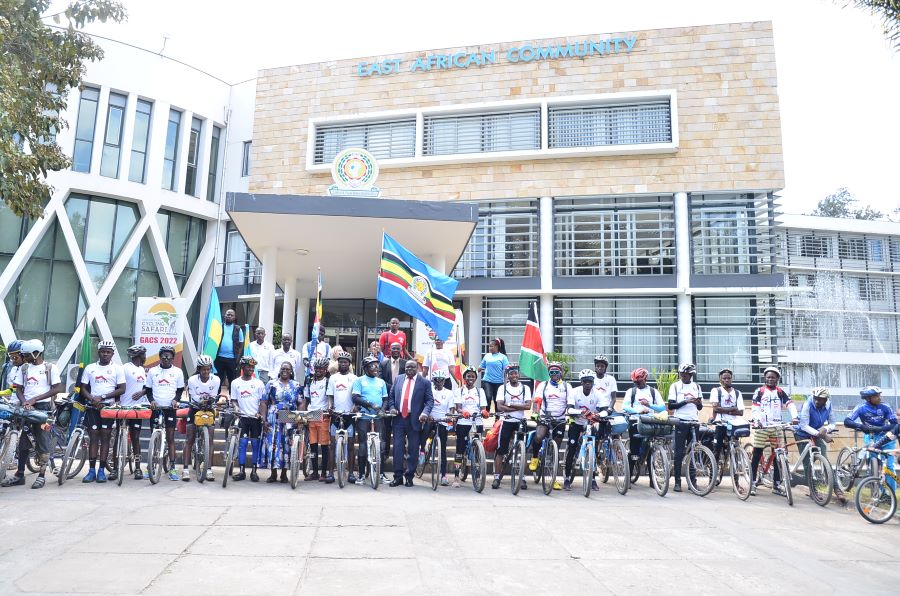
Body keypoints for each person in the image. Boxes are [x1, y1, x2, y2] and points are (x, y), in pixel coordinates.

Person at [2, 339, 63, 489]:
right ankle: (19, 474)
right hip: (26, 406)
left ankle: (41, 475)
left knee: (42, 440)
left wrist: (35, 399)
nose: (25, 357)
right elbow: (18, 389)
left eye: (27, 355)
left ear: (36, 354)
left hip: (43, 407)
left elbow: (56, 389)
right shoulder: (24, 369)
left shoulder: (50, 368)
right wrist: (25, 401)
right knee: (23, 441)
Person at [81, 340, 126, 483]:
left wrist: (103, 397)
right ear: (98, 352)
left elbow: (122, 389)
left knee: (105, 437)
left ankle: (101, 471)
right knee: (94, 437)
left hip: (108, 407)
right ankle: (91, 470)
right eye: (103, 351)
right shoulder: (90, 368)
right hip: (93, 407)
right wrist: (93, 399)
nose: (105, 354)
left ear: (112, 354)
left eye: (108, 352)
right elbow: (83, 388)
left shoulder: (117, 369)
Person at [529, 362, 578, 491]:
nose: (554, 374)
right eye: (552, 372)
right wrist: (535, 413)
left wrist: (569, 416)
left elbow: (570, 403)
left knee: (555, 450)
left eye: (557, 372)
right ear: (549, 373)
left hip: (560, 419)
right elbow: (537, 400)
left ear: (561, 373)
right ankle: (535, 457)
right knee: (539, 436)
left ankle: (554, 479)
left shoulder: (567, 387)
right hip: (545, 417)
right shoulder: (543, 385)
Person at [749, 366, 797, 496]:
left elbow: (790, 404)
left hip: (776, 427)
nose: (771, 379)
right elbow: (755, 408)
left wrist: (795, 417)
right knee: (757, 454)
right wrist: (757, 420)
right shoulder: (759, 391)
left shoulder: (781, 392)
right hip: (762, 427)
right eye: (768, 377)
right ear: (765, 378)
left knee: (778, 456)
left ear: (777, 379)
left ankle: (776, 485)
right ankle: (752, 483)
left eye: (773, 377)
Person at [795, 387, 846, 503]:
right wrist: (821, 434)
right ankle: (813, 491)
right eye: (815, 398)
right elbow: (803, 425)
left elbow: (833, 423)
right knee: (808, 463)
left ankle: (836, 488)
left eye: (820, 399)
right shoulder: (808, 404)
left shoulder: (828, 405)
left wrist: (826, 428)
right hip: (802, 434)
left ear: (826, 399)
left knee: (825, 460)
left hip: (817, 433)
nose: (817, 401)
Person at [387, 360, 434, 487]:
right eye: (407, 367)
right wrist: (391, 407)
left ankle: (409, 476)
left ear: (417, 368)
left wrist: (425, 413)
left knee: (413, 450)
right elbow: (391, 397)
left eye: (412, 367)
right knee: (397, 449)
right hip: (398, 419)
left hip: (415, 420)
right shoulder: (398, 379)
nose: (409, 369)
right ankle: (398, 477)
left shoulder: (424, 382)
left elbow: (430, 401)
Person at [144, 345, 185, 482]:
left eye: (169, 356)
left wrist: (175, 400)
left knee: (171, 438)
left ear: (172, 357)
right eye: (163, 356)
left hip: (170, 409)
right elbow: (148, 389)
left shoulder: (178, 372)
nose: (166, 358)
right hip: (156, 408)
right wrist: (152, 401)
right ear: (159, 357)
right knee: (153, 438)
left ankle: (172, 468)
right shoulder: (152, 371)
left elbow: (179, 390)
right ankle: (151, 466)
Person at [845, 385, 898, 489]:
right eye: (876, 396)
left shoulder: (885, 407)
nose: (879, 398)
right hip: (870, 437)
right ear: (868, 398)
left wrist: (879, 429)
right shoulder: (861, 408)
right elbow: (847, 421)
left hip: (886, 439)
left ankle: (889, 494)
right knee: (873, 466)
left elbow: (894, 424)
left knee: (889, 466)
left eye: (879, 395)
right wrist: (860, 426)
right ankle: (875, 488)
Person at [492, 364, 532, 490]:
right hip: (506, 421)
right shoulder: (502, 388)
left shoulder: (525, 388)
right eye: (511, 374)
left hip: (520, 421)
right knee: (501, 450)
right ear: (507, 375)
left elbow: (528, 406)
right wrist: (517, 406)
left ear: (519, 374)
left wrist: (509, 404)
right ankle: (497, 477)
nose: (514, 376)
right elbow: (499, 407)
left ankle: (522, 478)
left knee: (523, 451)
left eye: (516, 373)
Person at [181, 354, 220, 482]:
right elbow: (195, 397)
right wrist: (203, 399)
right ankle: (185, 469)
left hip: (209, 409)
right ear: (199, 369)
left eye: (208, 369)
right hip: (195, 408)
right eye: (203, 369)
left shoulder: (216, 380)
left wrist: (209, 400)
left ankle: (208, 469)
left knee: (210, 439)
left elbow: (214, 396)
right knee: (189, 438)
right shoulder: (192, 380)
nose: (206, 372)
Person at [351, 356, 389, 485]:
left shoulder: (381, 382)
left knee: (382, 445)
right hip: (363, 417)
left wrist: (383, 410)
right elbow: (355, 397)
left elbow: (385, 399)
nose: (376, 368)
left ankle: (382, 473)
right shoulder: (359, 381)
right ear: (365, 368)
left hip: (378, 417)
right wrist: (370, 405)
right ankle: (361, 475)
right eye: (372, 366)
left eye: (377, 365)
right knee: (362, 445)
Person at [261, 362, 301, 483]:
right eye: (282, 368)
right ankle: (273, 474)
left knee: (288, 444)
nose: (285, 371)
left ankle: (284, 474)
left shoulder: (296, 385)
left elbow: (301, 402)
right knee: (273, 444)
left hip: (290, 416)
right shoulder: (271, 384)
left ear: (291, 372)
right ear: (279, 370)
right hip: (274, 417)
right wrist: (264, 419)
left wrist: (299, 419)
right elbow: (264, 402)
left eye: (287, 369)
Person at [563, 369, 601, 491]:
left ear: (593, 382)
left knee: (594, 450)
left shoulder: (597, 394)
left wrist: (599, 414)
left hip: (590, 423)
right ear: (581, 382)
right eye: (585, 381)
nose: (587, 383)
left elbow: (604, 409)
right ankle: (567, 478)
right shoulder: (574, 392)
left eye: (590, 381)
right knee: (572, 447)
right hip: (577, 423)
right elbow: (569, 410)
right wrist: (581, 412)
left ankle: (593, 479)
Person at [668, 363, 703, 492]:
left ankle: (692, 482)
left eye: (686, 375)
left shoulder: (696, 387)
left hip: (694, 421)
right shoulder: (675, 386)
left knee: (693, 451)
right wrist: (686, 401)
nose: (684, 377)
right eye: (682, 375)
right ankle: (677, 482)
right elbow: (671, 406)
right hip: (680, 422)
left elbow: (700, 407)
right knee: (679, 453)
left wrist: (697, 402)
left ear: (691, 375)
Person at [621, 368, 666, 469]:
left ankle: (652, 480)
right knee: (634, 451)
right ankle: (629, 476)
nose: (637, 384)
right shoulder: (631, 391)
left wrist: (649, 405)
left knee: (650, 450)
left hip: (650, 421)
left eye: (639, 382)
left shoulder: (653, 392)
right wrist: (637, 411)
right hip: (635, 421)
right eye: (635, 382)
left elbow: (662, 407)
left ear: (645, 379)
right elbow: (625, 406)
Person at [229, 356, 266, 481]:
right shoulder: (235, 383)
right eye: (248, 367)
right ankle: (241, 471)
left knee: (256, 444)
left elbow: (263, 402)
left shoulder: (259, 383)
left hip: (255, 418)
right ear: (242, 367)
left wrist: (261, 414)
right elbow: (233, 400)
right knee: (243, 444)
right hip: (242, 417)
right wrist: (236, 407)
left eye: (252, 367)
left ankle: (254, 472)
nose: (251, 369)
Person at [453, 367, 489, 488]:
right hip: (463, 422)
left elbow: (483, 407)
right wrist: (462, 411)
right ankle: (456, 476)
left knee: (478, 448)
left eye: (473, 376)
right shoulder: (459, 391)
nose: (470, 378)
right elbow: (457, 407)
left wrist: (484, 412)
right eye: (468, 376)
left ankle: (478, 474)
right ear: (464, 378)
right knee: (459, 450)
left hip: (477, 422)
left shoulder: (480, 391)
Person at [421, 370, 455, 487]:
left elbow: (451, 409)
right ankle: (422, 451)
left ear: (444, 381)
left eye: (441, 380)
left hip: (443, 421)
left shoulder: (449, 393)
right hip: (430, 419)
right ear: (433, 380)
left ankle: (444, 475)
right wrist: (427, 415)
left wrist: (449, 418)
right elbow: (425, 404)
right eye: (436, 379)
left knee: (443, 449)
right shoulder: (429, 390)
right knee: (424, 433)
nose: (439, 382)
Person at [327, 351, 358, 483]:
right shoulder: (333, 378)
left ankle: (350, 473)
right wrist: (330, 406)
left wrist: (355, 406)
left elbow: (357, 396)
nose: (343, 364)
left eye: (345, 362)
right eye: (340, 362)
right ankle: (330, 473)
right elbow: (330, 395)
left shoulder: (355, 378)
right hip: (336, 415)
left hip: (349, 415)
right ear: (337, 363)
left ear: (349, 364)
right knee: (332, 445)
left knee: (351, 445)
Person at [379, 341, 407, 482]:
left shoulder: (405, 363)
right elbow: (380, 380)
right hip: (386, 402)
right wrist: (394, 386)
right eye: (393, 348)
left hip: (401, 404)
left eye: (398, 348)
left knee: (399, 439)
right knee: (384, 438)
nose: (395, 350)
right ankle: (382, 467)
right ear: (389, 349)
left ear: (401, 350)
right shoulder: (383, 363)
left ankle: (401, 469)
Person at [304, 357, 333, 483]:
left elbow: (331, 398)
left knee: (324, 446)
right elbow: (306, 399)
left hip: (323, 416)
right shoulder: (309, 381)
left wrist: (330, 408)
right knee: (313, 446)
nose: (318, 371)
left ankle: (323, 472)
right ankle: (315, 471)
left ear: (325, 369)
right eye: (317, 368)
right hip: (311, 415)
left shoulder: (328, 381)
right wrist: (304, 415)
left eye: (321, 369)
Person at [122, 345, 149, 480]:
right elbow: (118, 385)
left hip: (137, 408)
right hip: (123, 407)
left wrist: (142, 392)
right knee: (119, 437)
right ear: (139, 356)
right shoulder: (125, 368)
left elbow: (145, 387)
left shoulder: (142, 370)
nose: (145, 358)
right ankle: (116, 468)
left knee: (136, 437)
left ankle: (138, 468)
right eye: (144, 355)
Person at [708, 368, 744, 471]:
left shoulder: (737, 393)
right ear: (720, 379)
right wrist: (733, 408)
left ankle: (736, 481)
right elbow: (715, 408)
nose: (727, 380)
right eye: (724, 378)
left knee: (735, 451)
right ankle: (712, 477)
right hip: (720, 424)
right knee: (716, 451)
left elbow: (741, 412)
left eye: (729, 378)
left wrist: (722, 409)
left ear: (732, 379)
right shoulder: (716, 391)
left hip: (733, 425)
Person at [478, 338, 509, 413]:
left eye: (491, 346)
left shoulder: (503, 357)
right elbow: (480, 368)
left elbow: (506, 371)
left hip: (499, 382)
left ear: (497, 346)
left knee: (497, 400)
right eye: (489, 346)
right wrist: (472, 372)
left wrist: (506, 383)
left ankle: (497, 418)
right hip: (487, 380)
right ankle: (486, 412)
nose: (489, 348)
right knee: (488, 397)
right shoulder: (487, 356)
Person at [215, 309, 244, 389]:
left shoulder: (238, 329)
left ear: (234, 318)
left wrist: (237, 359)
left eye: (231, 315)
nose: (229, 316)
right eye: (228, 314)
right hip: (219, 358)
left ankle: (232, 399)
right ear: (225, 316)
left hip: (232, 359)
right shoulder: (219, 327)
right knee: (217, 380)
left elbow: (241, 345)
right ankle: (216, 398)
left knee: (232, 381)